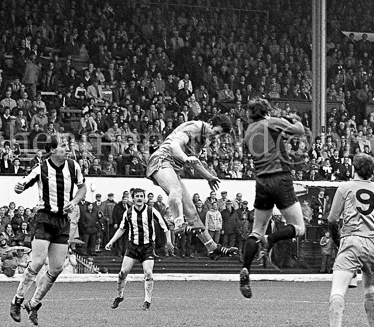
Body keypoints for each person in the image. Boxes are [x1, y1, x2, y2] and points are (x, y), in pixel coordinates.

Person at [10, 135, 88, 326]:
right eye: (62, 146)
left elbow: (82, 188)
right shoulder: (41, 168)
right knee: (37, 262)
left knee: (57, 268)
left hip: (62, 220)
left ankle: (34, 303)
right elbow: (21, 185)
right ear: (52, 150)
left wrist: (74, 201)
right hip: (44, 218)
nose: (66, 149)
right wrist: (18, 187)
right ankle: (17, 300)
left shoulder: (73, 166)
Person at [321, 153, 374, 327]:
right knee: (371, 286)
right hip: (373, 244)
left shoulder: (345, 187)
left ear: (354, 168)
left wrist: (338, 241)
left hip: (351, 240)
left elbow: (331, 219)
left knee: (338, 287)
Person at [239, 98, 307, 298]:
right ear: (266, 111)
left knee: (256, 230)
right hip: (280, 176)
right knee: (299, 227)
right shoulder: (271, 122)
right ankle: (271, 239)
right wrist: (294, 119)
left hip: (261, 180)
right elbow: (300, 130)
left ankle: (246, 269)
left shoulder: (249, 131)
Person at [145, 115, 237, 260]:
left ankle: (212, 248)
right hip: (161, 160)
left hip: (174, 167)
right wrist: (185, 158)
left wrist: (209, 176)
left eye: (221, 135)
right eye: (217, 132)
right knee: (176, 190)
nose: (216, 137)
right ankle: (178, 224)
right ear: (210, 123)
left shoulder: (203, 139)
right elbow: (174, 145)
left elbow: (195, 162)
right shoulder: (193, 128)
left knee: (191, 211)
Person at [104, 188, 173, 311]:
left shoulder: (152, 211)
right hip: (133, 247)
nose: (140, 198)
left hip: (147, 247)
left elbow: (164, 226)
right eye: (137, 196)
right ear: (133, 198)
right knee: (123, 273)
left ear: (144, 198)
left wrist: (168, 241)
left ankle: (147, 300)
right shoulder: (128, 213)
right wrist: (111, 241)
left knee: (148, 273)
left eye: (141, 196)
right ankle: (119, 296)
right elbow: (121, 229)